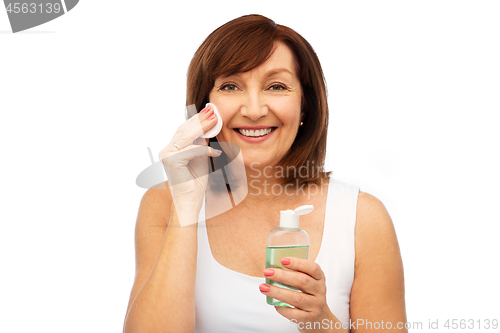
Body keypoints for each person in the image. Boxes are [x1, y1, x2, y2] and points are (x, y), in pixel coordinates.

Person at [123, 14, 407, 333]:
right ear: (204, 106)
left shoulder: (363, 219)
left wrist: (321, 323)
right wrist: (186, 208)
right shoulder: (164, 204)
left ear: (305, 107)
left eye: (276, 86)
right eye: (230, 86)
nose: (254, 110)